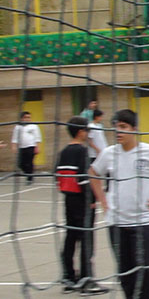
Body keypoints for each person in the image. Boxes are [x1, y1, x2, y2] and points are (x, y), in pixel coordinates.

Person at [89, 109, 149, 299]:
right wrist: (103, 200)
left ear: (135, 129)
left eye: (123, 127)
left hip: (145, 222)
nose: (118, 131)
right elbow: (93, 173)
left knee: (146, 270)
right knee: (125, 273)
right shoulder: (109, 153)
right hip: (117, 223)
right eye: (116, 127)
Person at [56, 116, 109, 296]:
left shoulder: (64, 152)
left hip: (69, 200)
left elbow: (58, 176)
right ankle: (87, 281)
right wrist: (92, 199)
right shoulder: (82, 151)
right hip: (82, 201)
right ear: (80, 132)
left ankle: (69, 278)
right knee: (86, 239)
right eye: (87, 130)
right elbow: (84, 179)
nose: (88, 134)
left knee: (70, 238)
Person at [11, 111, 41, 184]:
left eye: (29, 117)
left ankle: (29, 179)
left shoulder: (34, 126)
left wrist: (37, 147)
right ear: (22, 118)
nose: (27, 119)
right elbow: (14, 138)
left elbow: (37, 138)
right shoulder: (17, 127)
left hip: (31, 146)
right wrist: (14, 146)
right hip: (21, 147)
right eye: (26, 117)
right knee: (20, 164)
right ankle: (28, 173)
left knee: (29, 162)